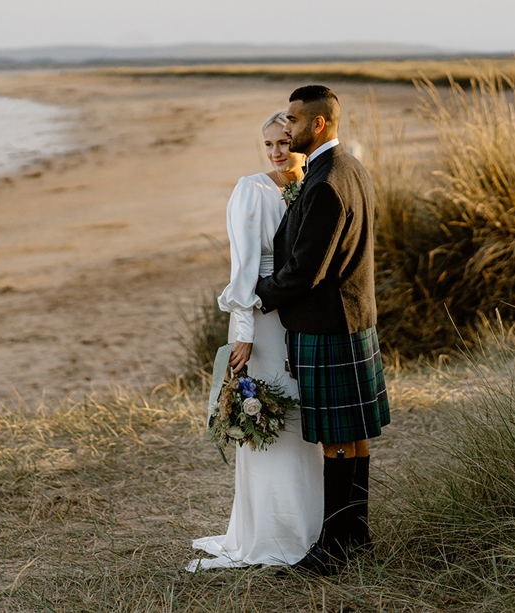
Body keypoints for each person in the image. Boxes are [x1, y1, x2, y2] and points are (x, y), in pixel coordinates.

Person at [255, 85, 390, 577]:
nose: (285, 128)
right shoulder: (350, 168)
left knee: (336, 438)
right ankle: (356, 534)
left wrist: (259, 293)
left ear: (318, 124)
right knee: (352, 436)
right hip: (352, 318)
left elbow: (306, 270)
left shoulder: (327, 182)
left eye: (292, 119)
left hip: (328, 324)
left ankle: (333, 550)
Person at [186, 111, 324, 572]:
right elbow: (243, 266)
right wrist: (242, 331)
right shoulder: (252, 189)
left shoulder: (316, 187)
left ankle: (311, 527)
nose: (277, 152)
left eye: (284, 142)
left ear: (305, 137)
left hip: (303, 319)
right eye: (268, 145)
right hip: (260, 321)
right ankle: (270, 531)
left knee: (303, 418)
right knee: (267, 416)